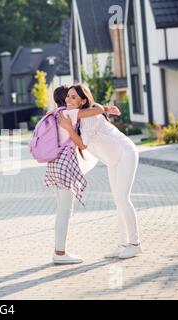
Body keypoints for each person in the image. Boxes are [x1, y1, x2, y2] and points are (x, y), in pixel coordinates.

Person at [58, 84, 142, 259]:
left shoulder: (88, 117)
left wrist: (67, 128)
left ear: (83, 100)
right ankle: (123, 243)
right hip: (114, 161)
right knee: (118, 201)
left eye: (74, 97)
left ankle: (135, 244)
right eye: (68, 96)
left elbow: (82, 144)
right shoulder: (82, 116)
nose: (68, 99)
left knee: (122, 199)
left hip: (126, 153)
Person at [46, 85, 119, 265]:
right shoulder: (68, 114)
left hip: (55, 162)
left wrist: (106, 109)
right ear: (64, 100)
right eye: (69, 97)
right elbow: (94, 110)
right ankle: (60, 252)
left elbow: (88, 111)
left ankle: (59, 250)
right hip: (65, 162)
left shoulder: (56, 113)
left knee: (62, 208)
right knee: (65, 210)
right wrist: (104, 108)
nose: (71, 100)